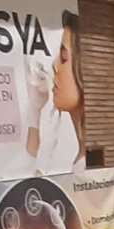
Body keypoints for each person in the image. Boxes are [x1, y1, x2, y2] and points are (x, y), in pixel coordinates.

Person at [22, 11, 86, 173]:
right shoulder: (76, 158)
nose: (54, 66)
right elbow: (30, 178)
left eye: (64, 58)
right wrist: (34, 113)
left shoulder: (89, 168)